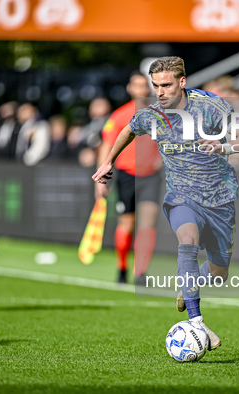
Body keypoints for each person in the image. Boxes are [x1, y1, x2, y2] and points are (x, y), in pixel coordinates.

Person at [93, 57, 239, 350]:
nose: (160, 92)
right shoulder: (151, 114)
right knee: (187, 240)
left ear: (182, 83)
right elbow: (128, 130)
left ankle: (188, 287)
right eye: (155, 86)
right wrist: (108, 161)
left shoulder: (210, 106)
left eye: (166, 85)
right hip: (181, 195)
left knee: (219, 274)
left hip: (220, 197)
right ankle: (197, 324)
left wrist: (227, 146)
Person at [95, 71, 162, 285]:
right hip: (126, 175)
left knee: (148, 223)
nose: (142, 89)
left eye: (145, 85)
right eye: (138, 85)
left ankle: (140, 271)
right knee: (127, 223)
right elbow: (106, 144)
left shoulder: (158, 114)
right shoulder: (119, 116)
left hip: (151, 175)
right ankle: (122, 268)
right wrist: (102, 172)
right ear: (130, 88)